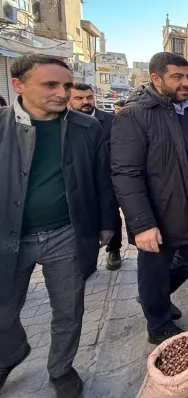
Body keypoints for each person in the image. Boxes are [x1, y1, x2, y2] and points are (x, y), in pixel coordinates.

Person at [0, 54, 118, 398]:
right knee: (4, 311)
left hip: (67, 233)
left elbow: (102, 179)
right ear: (19, 86)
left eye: (66, 85)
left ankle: (61, 368)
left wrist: (108, 224)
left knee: (68, 309)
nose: (63, 93)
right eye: (50, 84)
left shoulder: (87, 128)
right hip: (10, 238)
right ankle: (11, 352)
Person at [110, 52, 188, 344]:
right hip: (156, 211)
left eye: (187, 76)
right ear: (156, 79)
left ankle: (154, 297)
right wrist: (142, 224)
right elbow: (125, 173)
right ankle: (158, 326)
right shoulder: (135, 115)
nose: (187, 83)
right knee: (155, 268)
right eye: (178, 77)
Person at [68, 82, 123, 271]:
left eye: (89, 98)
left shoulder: (111, 121)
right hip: (80, 180)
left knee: (112, 214)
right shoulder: (65, 124)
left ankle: (114, 249)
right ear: (69, 100)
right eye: (79, 98)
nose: (86, 102)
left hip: (109, 179)